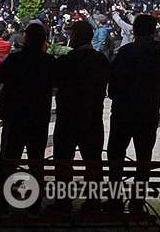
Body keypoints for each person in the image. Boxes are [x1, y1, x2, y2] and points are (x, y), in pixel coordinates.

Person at [106, 14, 160, 213]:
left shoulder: (126, 51)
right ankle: (137, 202)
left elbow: (114, 83)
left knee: (116, 155)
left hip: (124, 110)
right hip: (148, 111)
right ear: (153, 31)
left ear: (134, 30)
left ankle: (115, 200)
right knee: (144, 157)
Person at [0, 23, 54, 211]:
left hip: (15, 116)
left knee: (8, 159)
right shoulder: (49, 61)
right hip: (38, 117)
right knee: (36, 162)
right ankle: (33, 204)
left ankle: (0, 201)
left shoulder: (14, 59)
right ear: (44, 41)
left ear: (25, 39)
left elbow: (0, 75)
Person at [52, 21, 109, 212]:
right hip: (92, 118)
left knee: (63, 162)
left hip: (67, 118)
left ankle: (63, 202)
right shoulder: (100, 60)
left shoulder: (67, 60)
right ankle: (93, 202)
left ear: (75, 37)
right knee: (93, 163)